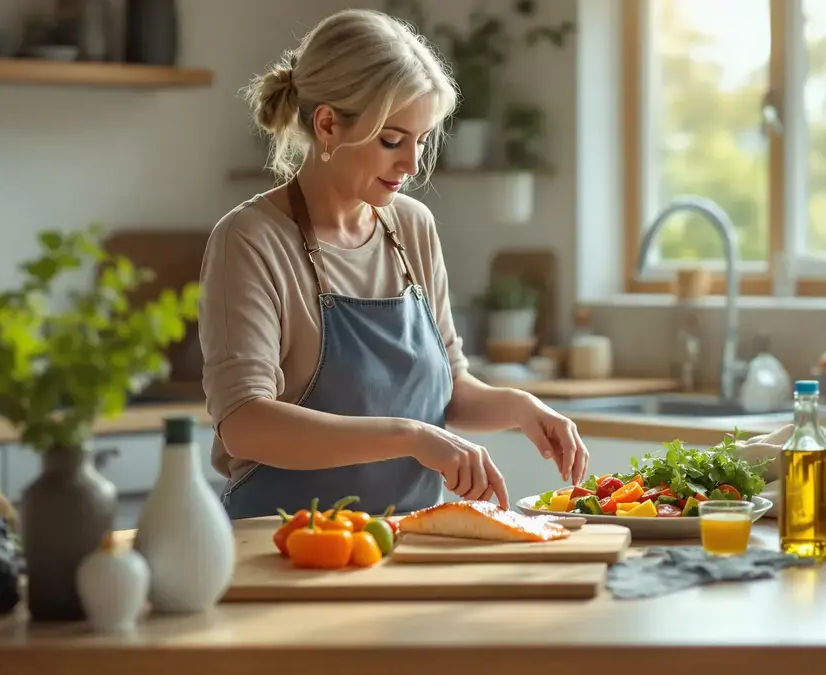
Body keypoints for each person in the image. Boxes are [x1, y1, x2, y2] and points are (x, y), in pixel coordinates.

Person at [198, 9, 589, 520]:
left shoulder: (411, 227)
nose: (411, 165)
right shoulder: (249, 240)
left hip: (401, 545)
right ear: (328, 124)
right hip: (280, 549)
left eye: (422, 140)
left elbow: (449, 390)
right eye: (391, 140)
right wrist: (410, 437)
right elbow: (246, 423)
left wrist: (520, 406)